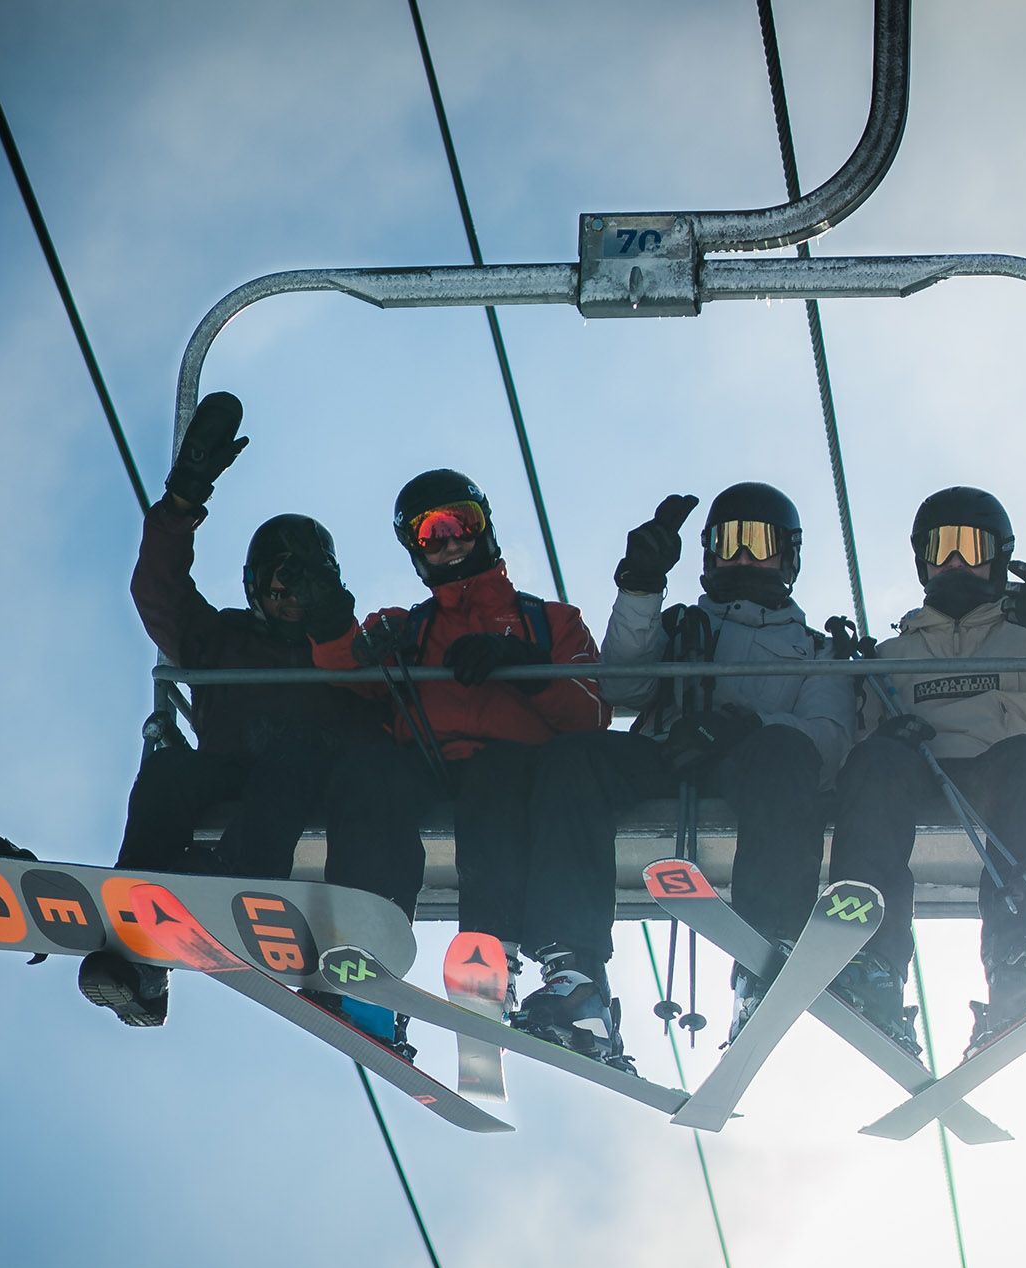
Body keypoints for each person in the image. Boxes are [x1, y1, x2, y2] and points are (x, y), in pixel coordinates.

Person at [79, 390, 391, 1029]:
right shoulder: (219, 636)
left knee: (295, 756)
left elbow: (381, 699)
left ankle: (240, 884)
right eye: (277, 581)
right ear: (253, 586)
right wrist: (184, 498)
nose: (289, 595)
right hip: (233, 771)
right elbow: (158, 591)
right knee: (172, 770)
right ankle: (139, 940)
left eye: (304, 580)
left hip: (317, 787)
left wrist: (333, 618)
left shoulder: (343, 645)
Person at [308, 470, 620, 1063]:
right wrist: (329, 618)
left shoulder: (548, 622)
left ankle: (490, 951)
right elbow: (346, 665)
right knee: (369, 774)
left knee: (494, 778)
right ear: (415, 549)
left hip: (518, 770)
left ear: (484, 527)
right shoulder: (409, 628)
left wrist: (523, 667)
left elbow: (589, 717)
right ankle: (370, 957)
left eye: (461, 524)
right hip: (428, 764)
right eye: (432, 533)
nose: (450, 541)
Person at [827, 485, 1026, 1052]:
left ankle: (1022, 958)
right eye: (941, 548)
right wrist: (884, 736)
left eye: (970, 547)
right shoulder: (891, 656)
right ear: (923, 560)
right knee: (875, 763)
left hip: (999, 782)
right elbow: (847, 749)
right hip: (917, 777)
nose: (955, 561)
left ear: (998, 556)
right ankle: (869, 963)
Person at [560, 483, 856, 1043]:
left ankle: (765, 954)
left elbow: (829, 742)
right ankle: (573, 970)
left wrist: (747, 724)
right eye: (729, 541)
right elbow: (622, 684)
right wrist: (641, 588)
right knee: (575, 758)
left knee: (787, 755)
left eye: (758, 542)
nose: (742, 555)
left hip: (754, 769)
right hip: (670, 754)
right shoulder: (675, 627)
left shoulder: (817, 651)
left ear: (788, 555)